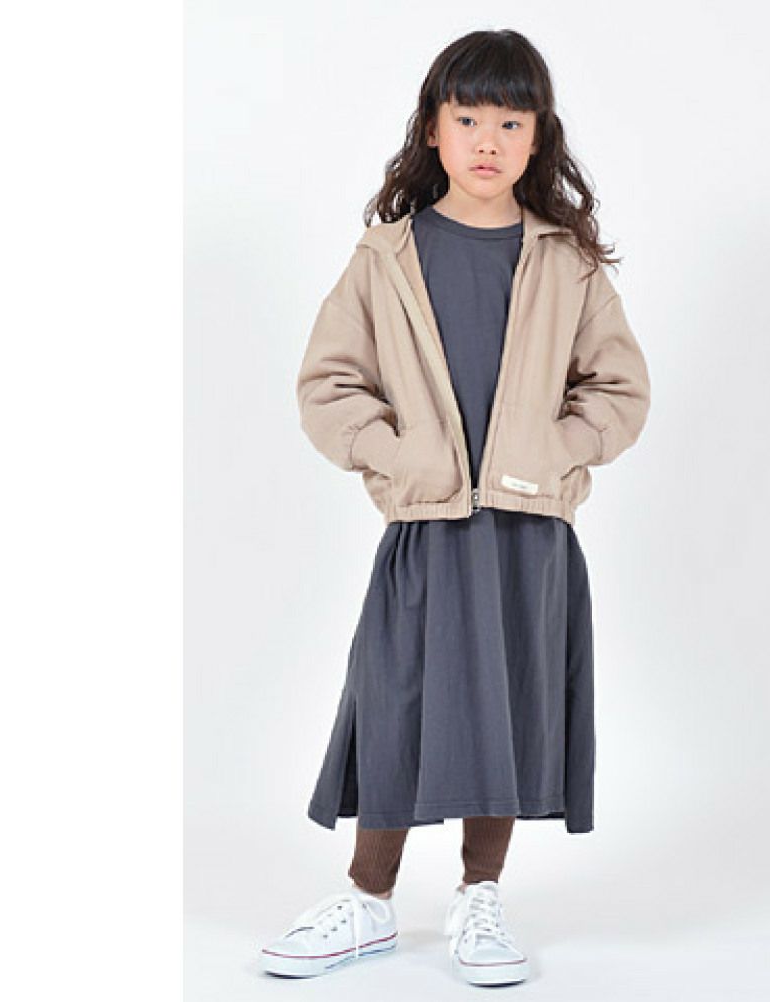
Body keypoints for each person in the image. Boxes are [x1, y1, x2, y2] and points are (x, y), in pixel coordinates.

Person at [261, 28, 651, 987]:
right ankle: (369, 900)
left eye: (511, 122)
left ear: (538, 136)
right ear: (432, 130)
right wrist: (395, 460)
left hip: (528, 532)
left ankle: (481, 894)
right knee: (394, 697)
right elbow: (329, 384)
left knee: (506, 705)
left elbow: (617, 389)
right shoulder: (386, 257)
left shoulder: (567, 263)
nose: (488, 139)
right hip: (426, 525)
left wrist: (554, 454)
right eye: (468, 117)